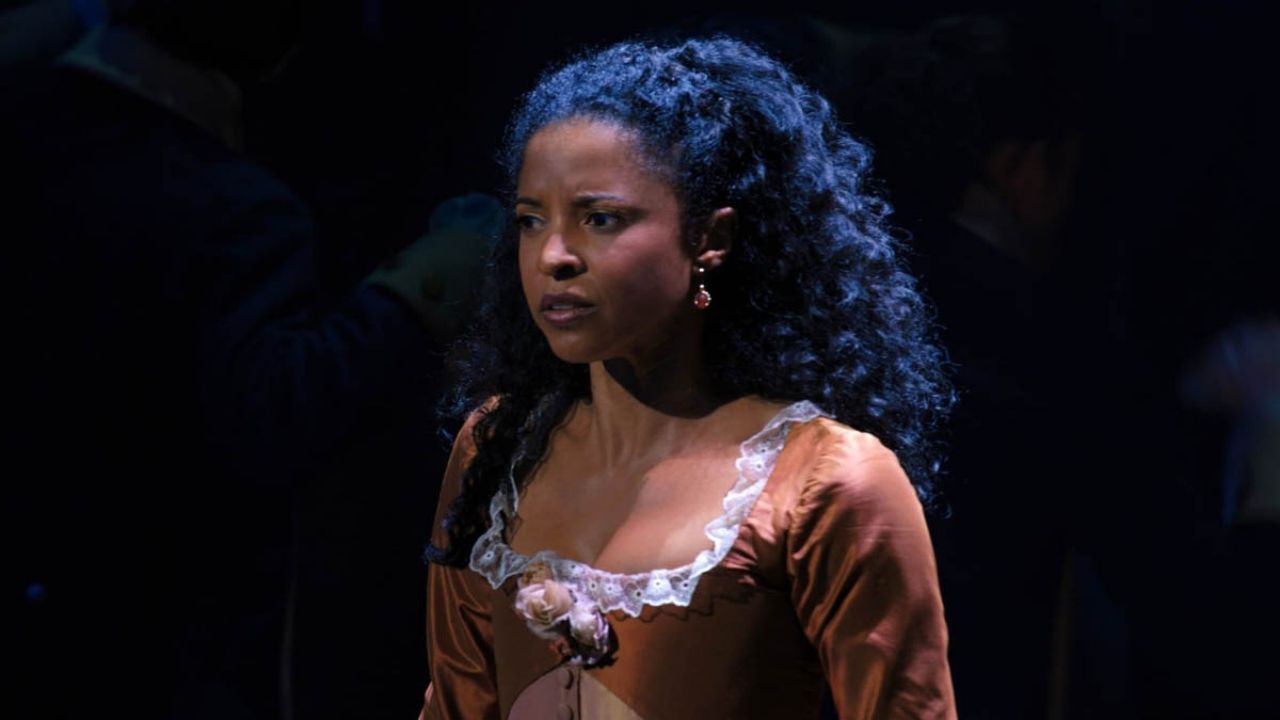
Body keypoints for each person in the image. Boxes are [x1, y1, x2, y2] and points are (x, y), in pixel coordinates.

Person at [420, 37, 955, 719]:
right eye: (530, 221)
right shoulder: (499, 450)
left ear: (710, 238)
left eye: (600, 219)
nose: (553, 255)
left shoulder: (822, 482)